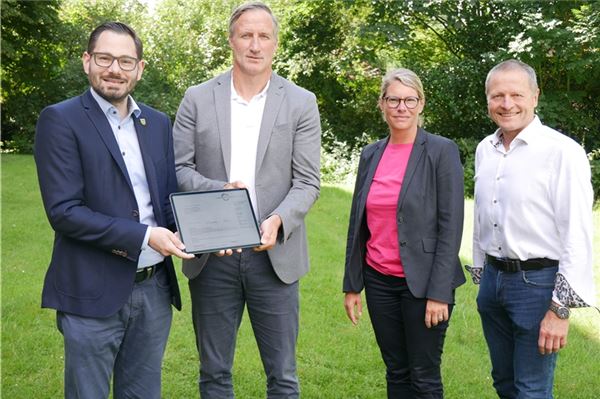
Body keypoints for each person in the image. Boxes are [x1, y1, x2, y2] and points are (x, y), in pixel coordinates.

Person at [34, 22, 194, 399]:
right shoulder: (61, 119)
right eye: (105, 58)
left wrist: (209, 232)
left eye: (126, 61)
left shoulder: (156, 122)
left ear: (140, 68)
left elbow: (167, 201)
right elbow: (64, 211)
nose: (115, 69)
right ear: (87, 62)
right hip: (91, 289)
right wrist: (144, 236)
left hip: (154, 289)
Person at [172, 2, 321, 397]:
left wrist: (278, 221)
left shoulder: (301, 102)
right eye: (246, 35)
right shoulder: (197, 98)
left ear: (275, 43)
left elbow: (307, 182)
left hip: (273, 257)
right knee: (214, 373)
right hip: (213, 256)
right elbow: (179, 169)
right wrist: (216, 192)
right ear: (231, 40)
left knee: (283, 376)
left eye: (264, 36)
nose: (255, 45)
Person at [470, 59, 596, 398]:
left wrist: (560, 308)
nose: (507, 104)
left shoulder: (562, 152)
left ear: (535, 96)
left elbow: (577, 235)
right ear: (487, 100)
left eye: (516, 94)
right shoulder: (486, 149)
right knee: (505, 382)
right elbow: (484, 215)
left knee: (531, 390)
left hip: (537, 286)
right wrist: (482, 275)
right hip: (494, 281)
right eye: (498, 95)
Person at [343, 68, 465, 398]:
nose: (402, 107)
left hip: (425, 284)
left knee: (424, 376)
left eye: (410, 99)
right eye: (393, 99)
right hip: (380, 280)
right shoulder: (371, 154)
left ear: (421, 104)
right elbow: (358, 223)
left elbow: (450, 225)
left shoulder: (441, 151)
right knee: (396, 371)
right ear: (382, 104)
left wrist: (439, 292)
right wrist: (353, 284)